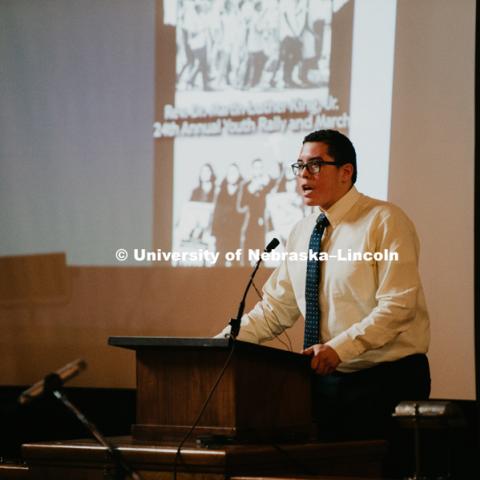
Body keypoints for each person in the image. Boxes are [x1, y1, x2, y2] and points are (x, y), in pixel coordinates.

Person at [218, 129, 430, 442]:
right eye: (299, 166)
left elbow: (398, 307)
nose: (303, 175)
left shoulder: (384, 221)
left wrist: (340, 349)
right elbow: (275, 309)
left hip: (384, 380)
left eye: (315, 165)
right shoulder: (302, 232)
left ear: (347, 172)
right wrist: (218, 345)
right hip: (323, 383)